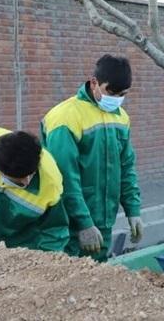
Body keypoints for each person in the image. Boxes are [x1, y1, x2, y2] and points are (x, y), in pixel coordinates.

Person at [41, 54, 143, 262]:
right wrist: (83, 223)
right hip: (67, 224)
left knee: (98, 283)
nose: (115, 99)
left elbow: (126, 167)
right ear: (94, 82)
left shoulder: (121, 117)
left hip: (103, 222)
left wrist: (133, 210)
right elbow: (65, 177)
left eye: (122, 94)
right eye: (110, 92)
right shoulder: (65, 117)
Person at [0, 127, 69, 251]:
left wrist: (48, 262)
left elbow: (54, 231)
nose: (26, 182)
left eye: (30, 175)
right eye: (18, 180)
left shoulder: (51, 184)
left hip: (22, 244)